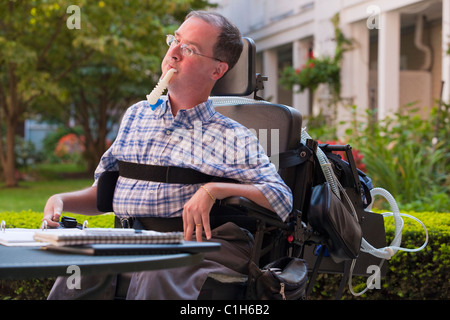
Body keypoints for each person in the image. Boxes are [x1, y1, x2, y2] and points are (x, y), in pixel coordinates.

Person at [43, 10, 293, 300]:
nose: (173, 53)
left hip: (198, 243)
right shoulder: (137, 115)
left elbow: (281, 199)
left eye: (189, 49)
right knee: (77, 272)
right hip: (132, 239)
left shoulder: (230, 135)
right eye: (174, 40)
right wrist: (60, 200)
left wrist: (213, 189)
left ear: (217, 70)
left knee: (157, 271)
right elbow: (105, 194)